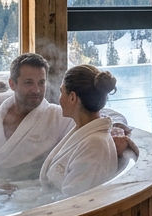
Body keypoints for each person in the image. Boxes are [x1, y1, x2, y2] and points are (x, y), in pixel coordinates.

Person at [0, 53, 131, 178]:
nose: (36, 90)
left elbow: (97, 114)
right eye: (29, 83)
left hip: (23, 199)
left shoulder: (57, 117)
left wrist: (117, 127)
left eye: (41, 82)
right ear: (12, 84)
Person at [40, 64, 121, 196]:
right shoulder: (84, 132)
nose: (59, 99)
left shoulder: (95, 145)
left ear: (72, 97)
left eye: (61, 92)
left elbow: (75, 201)